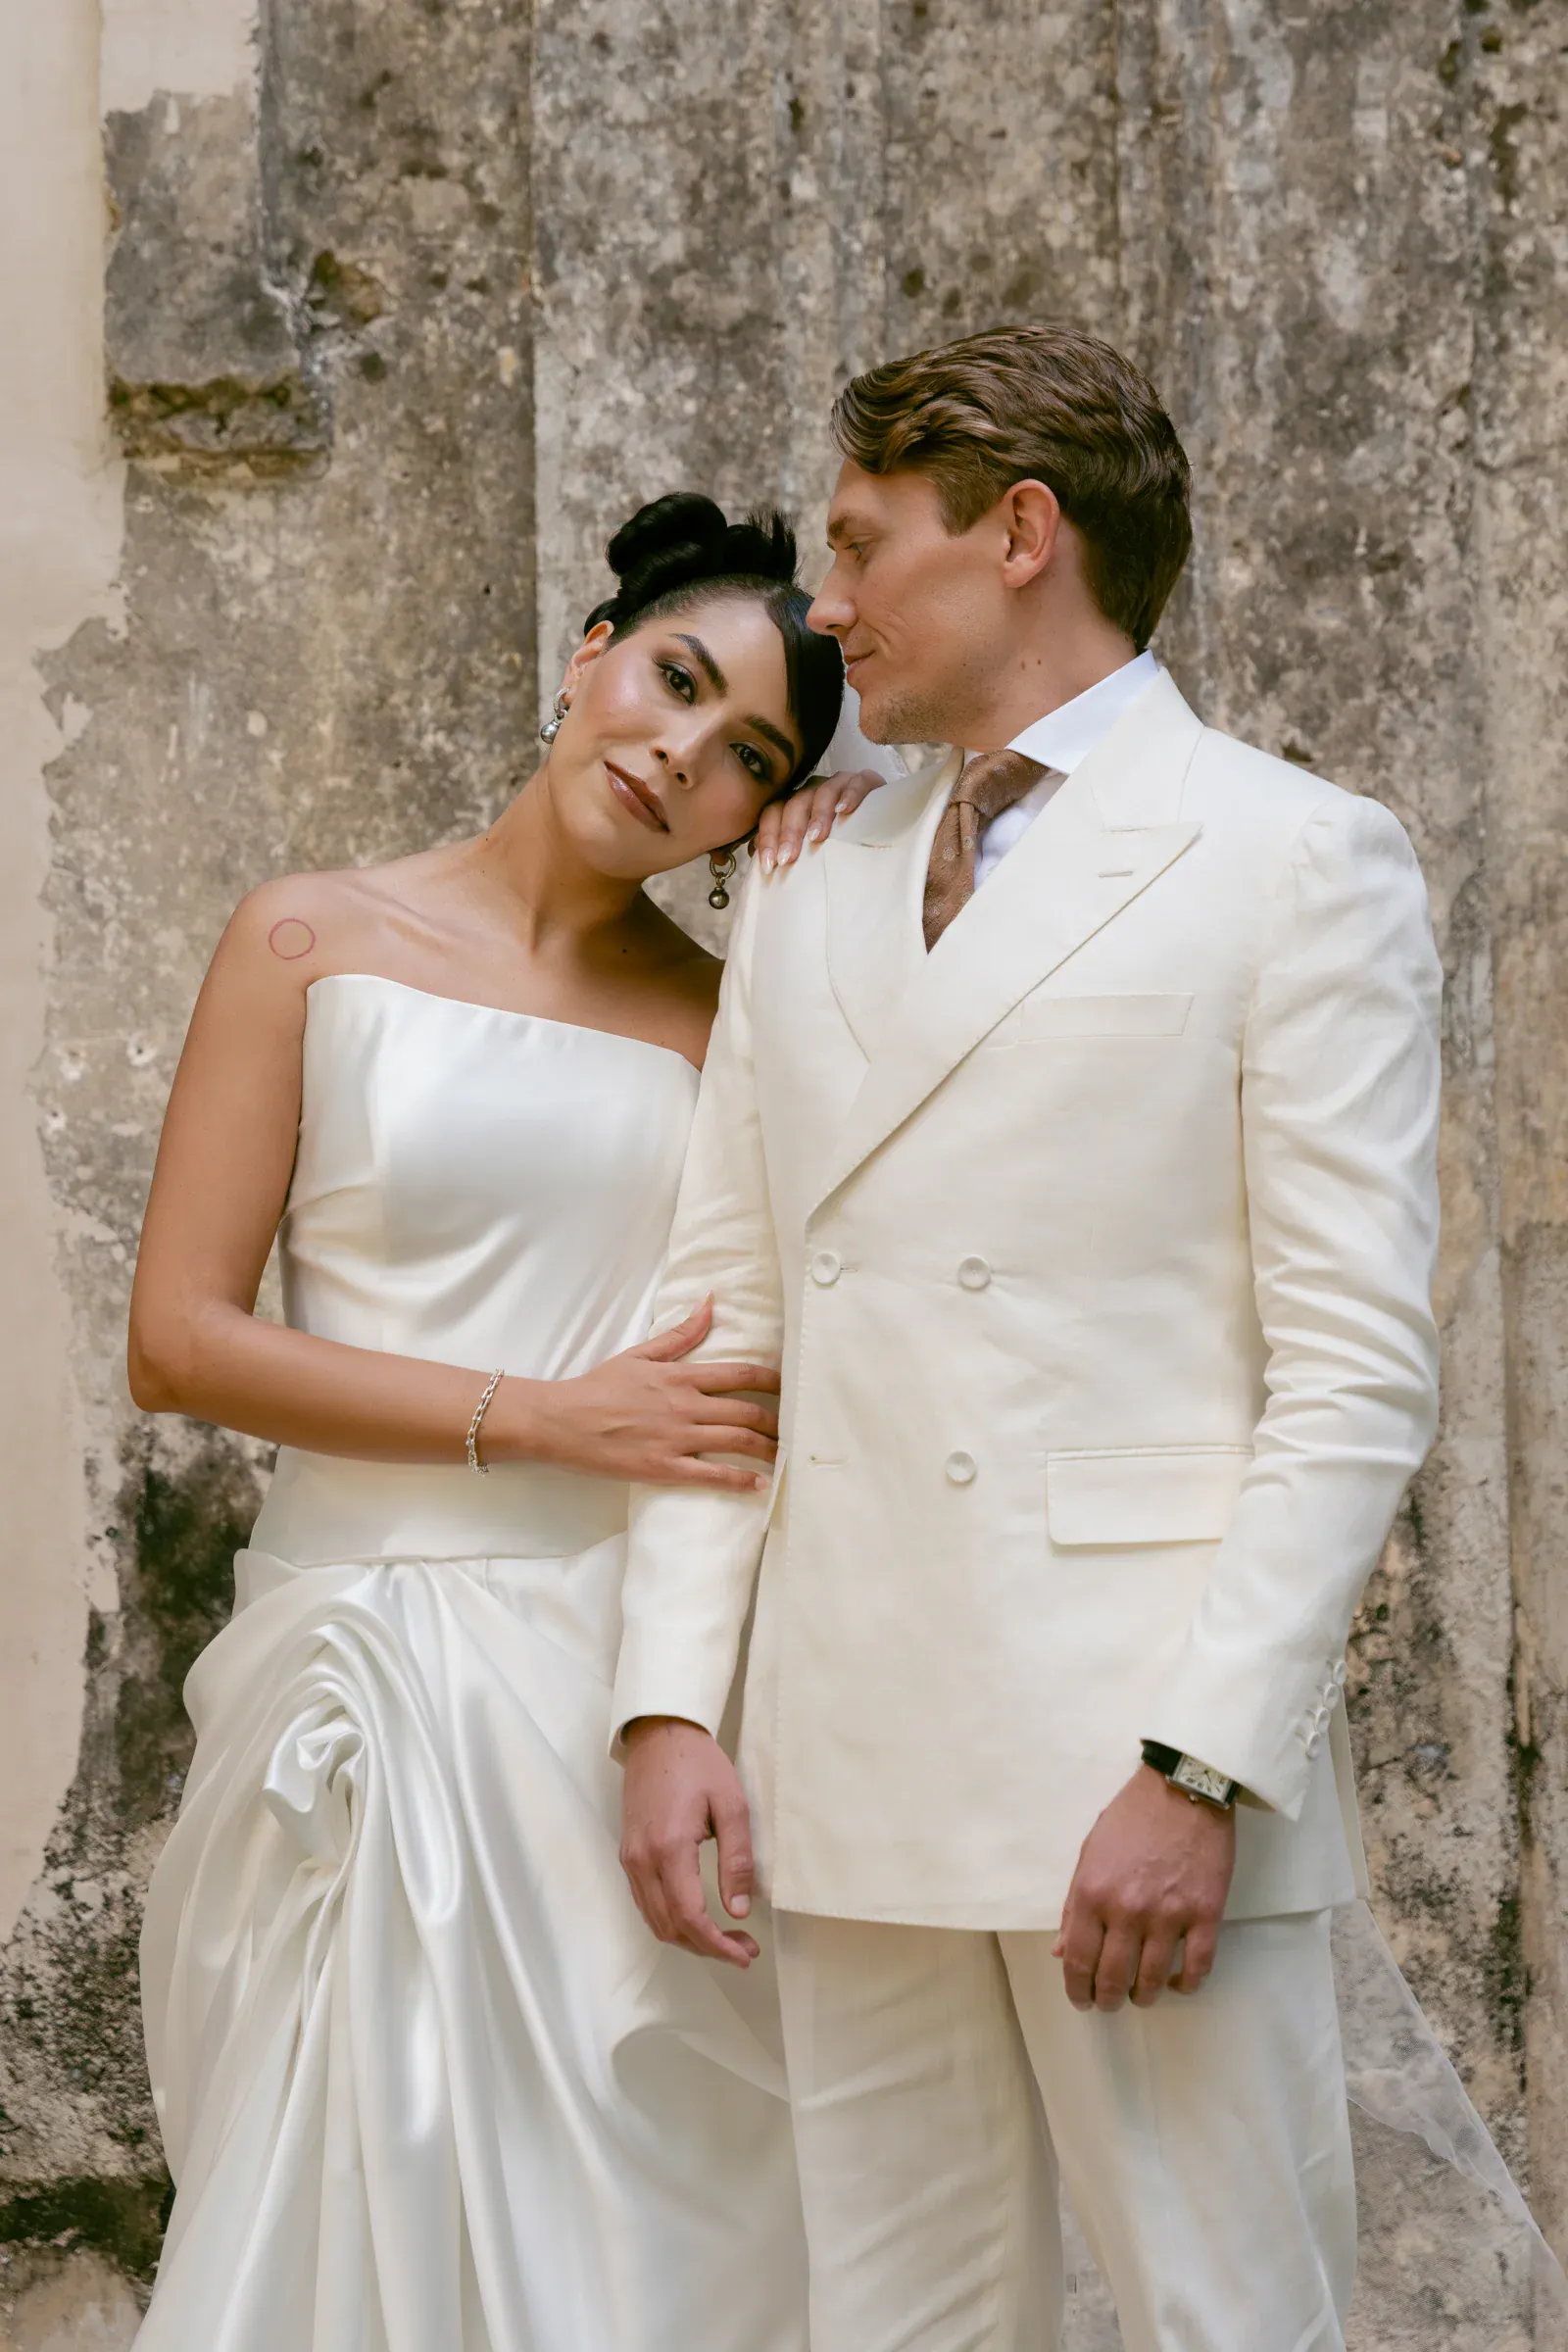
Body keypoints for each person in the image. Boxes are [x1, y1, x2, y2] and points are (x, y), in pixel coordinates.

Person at [613, 327, 1445, 2349]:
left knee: (1218, 2319)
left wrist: (1201, 1764)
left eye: (855, 547)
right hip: (849, 1749)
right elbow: (721, 1322)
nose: (822, 607)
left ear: (1016, 535)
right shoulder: (807, 887)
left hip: (1129, 1762)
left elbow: (1352, 1371)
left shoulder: (1289, 854)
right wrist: (668, 1703)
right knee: (893, 2326)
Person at [125, 493, 870, 2352]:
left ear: (744, 818)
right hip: (356, 1673)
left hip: (606, 1694)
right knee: (326, 2182)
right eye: (675, 681)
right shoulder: (308, 940)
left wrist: (834, 885)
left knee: (622, 2254)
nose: (681, 753)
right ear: (587, 656)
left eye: (745, 758)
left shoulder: (735, 1024)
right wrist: (539, 1418)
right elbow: (178, 1341)